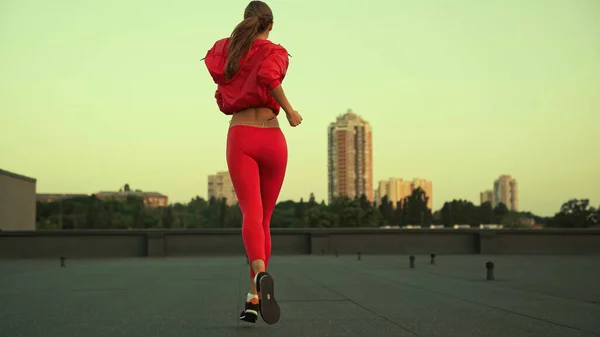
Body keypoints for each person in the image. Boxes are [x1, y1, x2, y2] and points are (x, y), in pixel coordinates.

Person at [203, 0, 302, 326]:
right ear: (270, 25)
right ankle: (253, 297)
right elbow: (269, 75)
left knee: (251, 215)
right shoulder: (273, 50)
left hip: (242, 136)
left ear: (246, 22)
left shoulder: (228, 53)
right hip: (273, 138)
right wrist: (288, 110)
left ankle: (260, 275)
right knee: (265, 220)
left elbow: (222, 96)